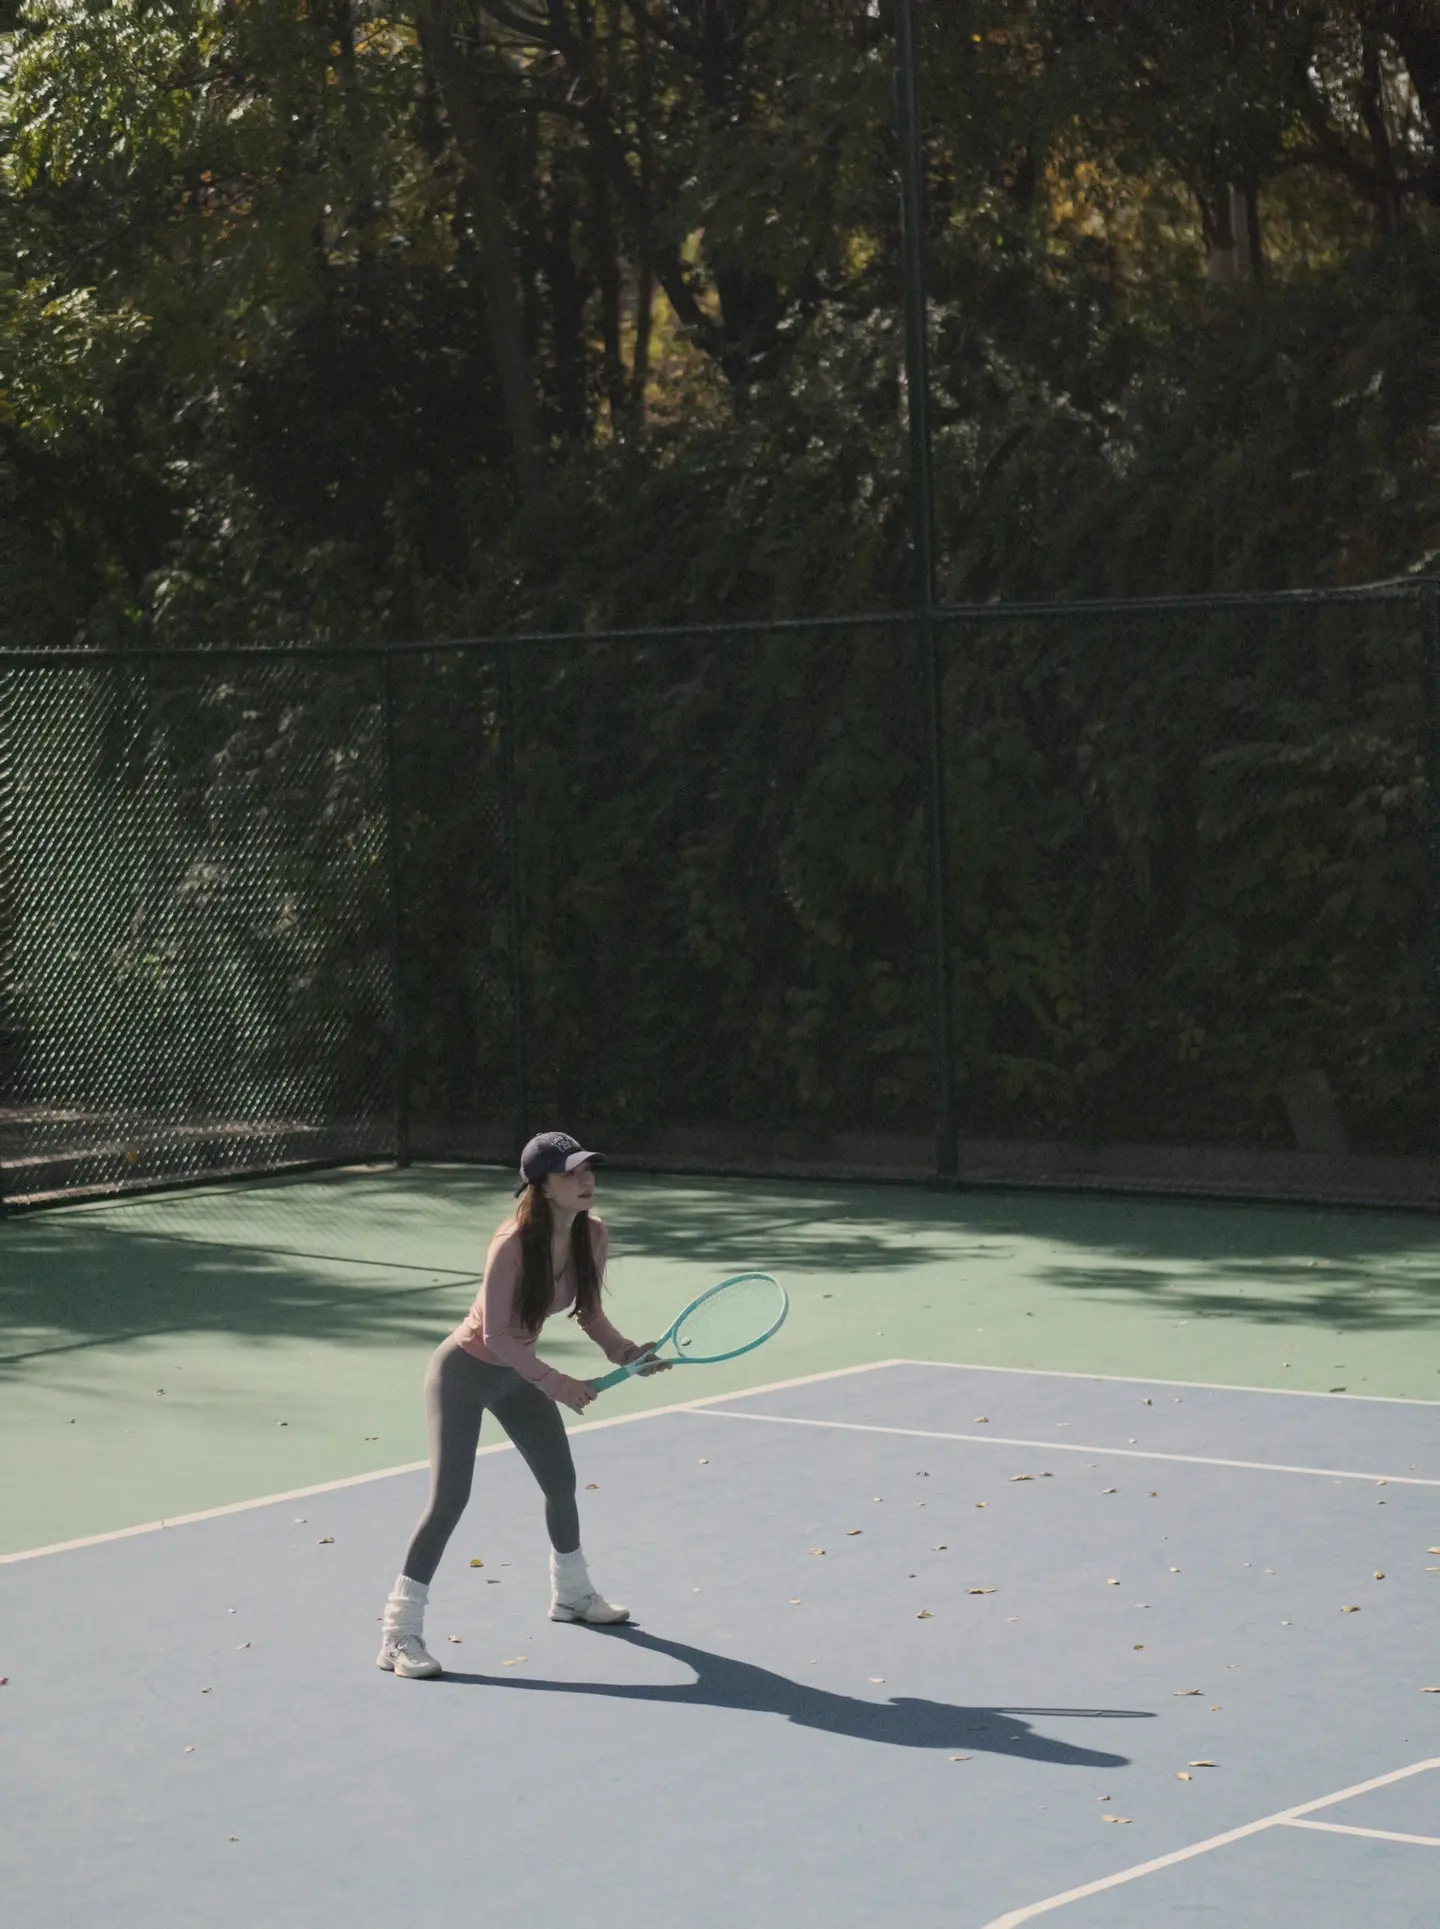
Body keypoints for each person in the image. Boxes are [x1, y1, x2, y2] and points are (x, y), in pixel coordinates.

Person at [376, 1132, 667, 1678]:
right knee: (449, 1500)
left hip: (517, 1375)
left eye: (587, 1169)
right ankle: (398, 1634)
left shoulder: (592, 1234)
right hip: (463, 1375)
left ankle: (572, 1595)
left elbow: (590, 1315)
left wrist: (628, 1353)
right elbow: (496, 1335)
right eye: (570, 1173)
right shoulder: (511, 1244)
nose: (585, 1180)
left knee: (560, 1482)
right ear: (542, 1187)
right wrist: (557, 1384)